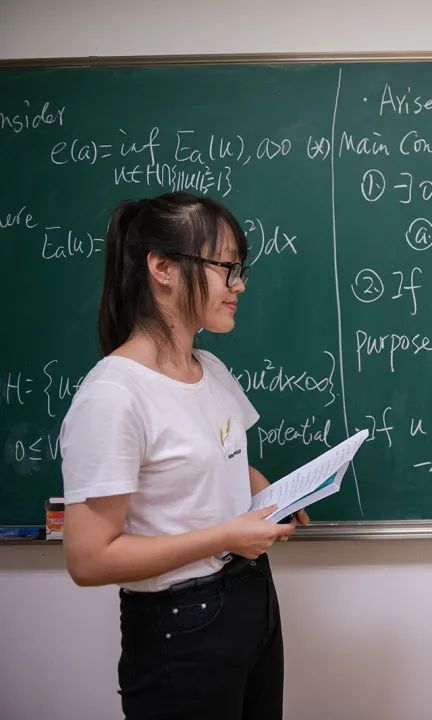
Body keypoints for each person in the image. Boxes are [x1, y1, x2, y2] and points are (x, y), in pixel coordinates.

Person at [60, 192, 306, 720]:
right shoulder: (114, 395)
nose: (238, 285)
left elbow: (227, 461)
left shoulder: (211, 369)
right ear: (163, 268)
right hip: (182, 625)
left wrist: (272, 492)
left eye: (238, 270)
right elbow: (88, 558)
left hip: (251, 598)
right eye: (225, 267)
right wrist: (226, 536)